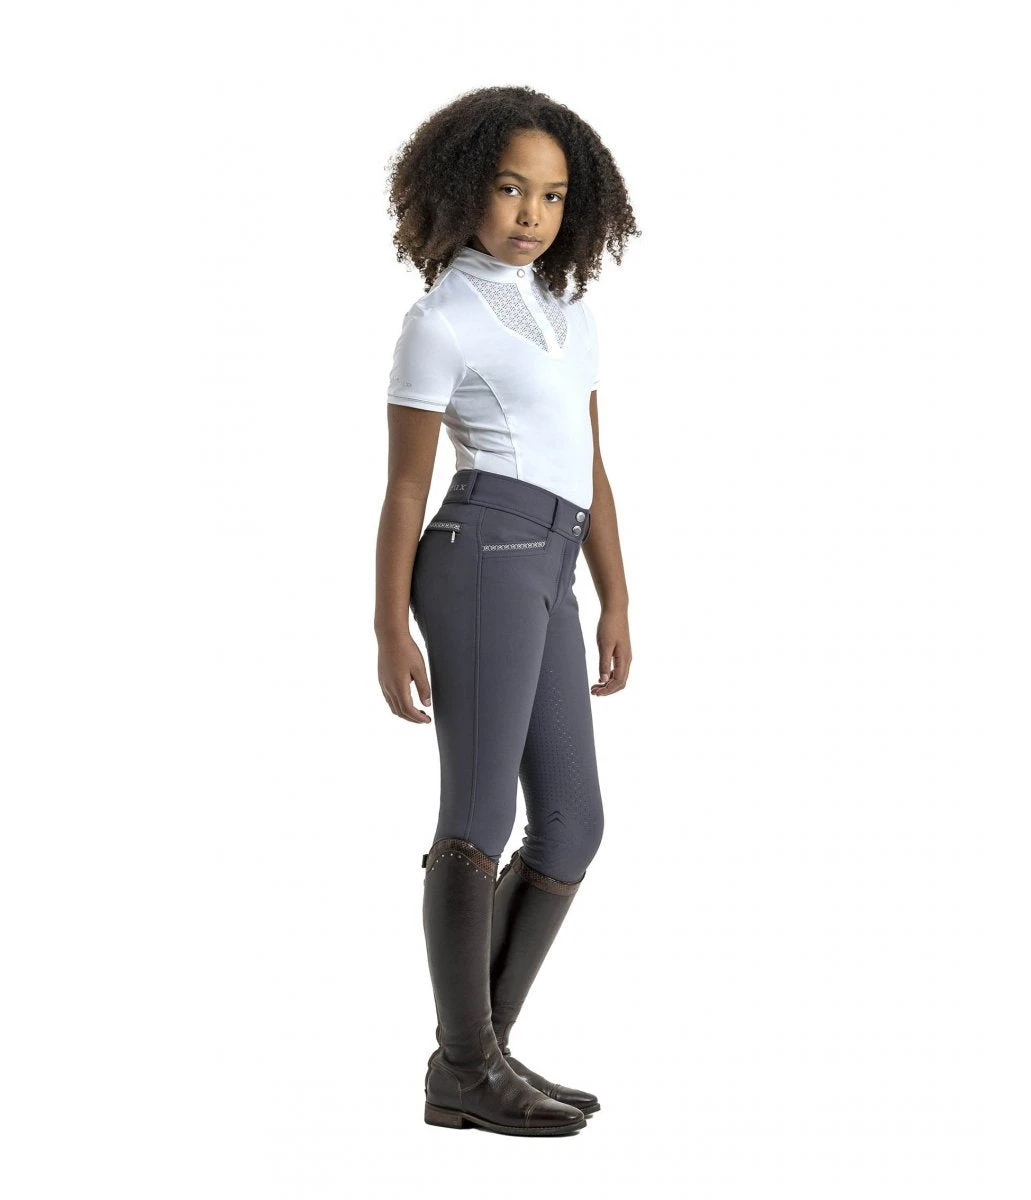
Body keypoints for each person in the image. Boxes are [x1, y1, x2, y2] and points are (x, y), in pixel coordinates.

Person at [375, 85, 640, 1137]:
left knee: (574, 822)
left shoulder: (572, 318)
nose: (532, 213)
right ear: (461, 188)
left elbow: (592, 464)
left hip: (552, 562)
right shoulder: (439, 321)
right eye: (509, 188)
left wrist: (617, 593)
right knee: (479, 819)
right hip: (479, 557)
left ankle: (478, 1055)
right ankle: (467, 1065)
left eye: (553, 195)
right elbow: (405, 487)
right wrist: (387, 624)